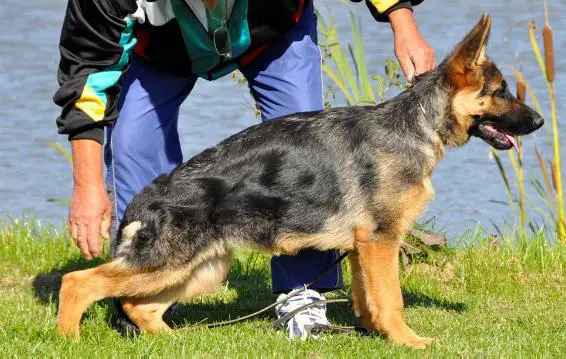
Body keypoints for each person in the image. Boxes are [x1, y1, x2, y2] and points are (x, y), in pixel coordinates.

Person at [53, 0, 435, 338]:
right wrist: (88, 185)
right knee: (134, 142)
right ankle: (141, 292)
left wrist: (403, 23)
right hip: (160, 50)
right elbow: (87, 70)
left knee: (307, 156)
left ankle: (301, 296)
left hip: (272, 29)